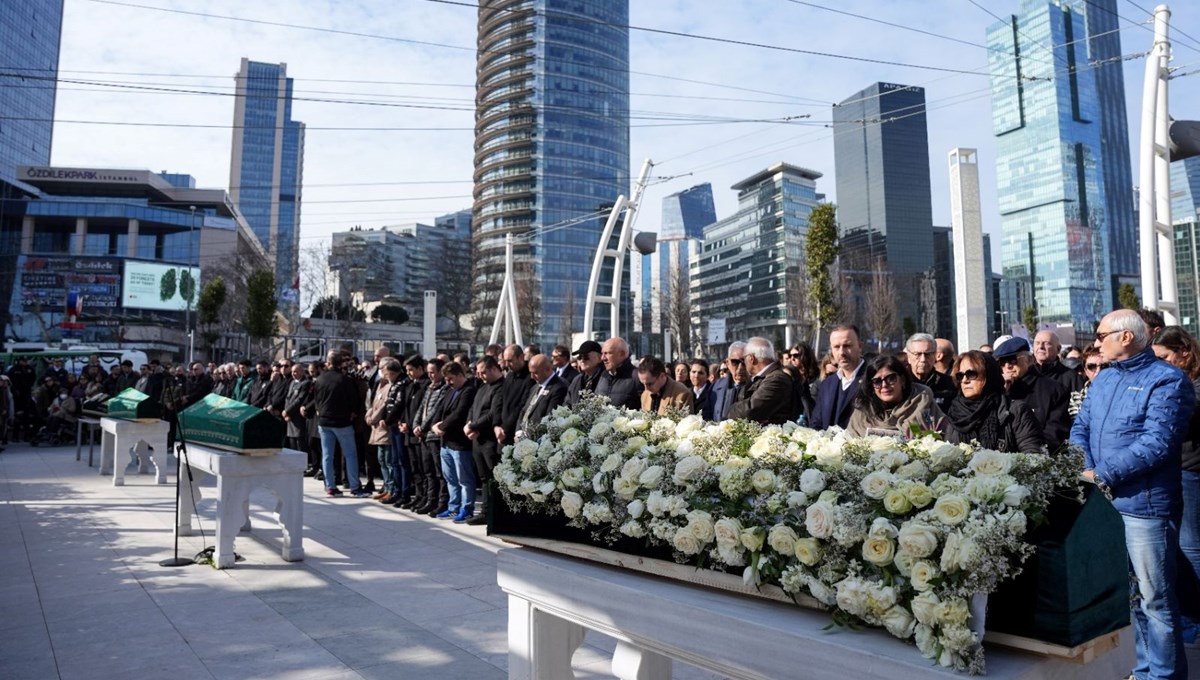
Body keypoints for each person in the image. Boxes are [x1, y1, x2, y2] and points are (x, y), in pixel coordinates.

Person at [1072, 310, 1195, 679]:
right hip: (1104, 505)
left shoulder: (1168, 380)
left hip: (1146, 508)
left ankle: (1164, 675)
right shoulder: (1104, 380)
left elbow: (1157, 443)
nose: (1096, 342)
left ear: (1126, 337)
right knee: (1133, 599)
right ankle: (1144, 671)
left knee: (1155, 599)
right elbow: (1081, 426)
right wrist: (1080, 464)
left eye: (1101, 334)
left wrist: (1101, 473)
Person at [1151, 325, 1200, 633]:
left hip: (1191, 470)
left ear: (1184, 351)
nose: (1162, 363)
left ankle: (1194, 617)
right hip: (1180, 469)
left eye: (1165, 356)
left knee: (1190, 545)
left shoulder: (1193, 386)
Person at [944, 351, 1043, 452]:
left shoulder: (1015, 411)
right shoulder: (955, 414)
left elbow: (1032, 455)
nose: (965, 380)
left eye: (971, 374)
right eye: (960, 376)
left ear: (989, 375)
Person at [993, 336, 1071, 451]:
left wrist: (1027, 458)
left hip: (1034, 459)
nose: (1007, 366)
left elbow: (1054, 434)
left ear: (1029, 360)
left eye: (1012, 360)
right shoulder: (996, 389)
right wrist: (1001, 392)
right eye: (1002, 362)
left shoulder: (1054, 390)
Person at [847, 354, 945, 437]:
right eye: (877, 382)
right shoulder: (862, 410)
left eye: (890, 378)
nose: (884, 385)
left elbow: (942, 436)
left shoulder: (922, 402)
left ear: (902, 379)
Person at [314, 352, 367, 497]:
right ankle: (354, 486)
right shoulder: (345, 380)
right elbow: (354, 400)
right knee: (350, 454)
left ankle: (330, 486)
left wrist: (320, 410)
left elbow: (316, 399)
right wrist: (353, 413)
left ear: (328, 363)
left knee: (327, 455)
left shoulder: (319, 379)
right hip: (342, 422)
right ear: (341, 364)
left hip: (324, 421)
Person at [433, 362, 478, 522]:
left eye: (451, 379)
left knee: (464, 479)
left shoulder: (469, 391)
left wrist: (442, 427)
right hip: (446, 443)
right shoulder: (450, 391)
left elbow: (459, 414)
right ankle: (453, 507)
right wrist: (434, 425)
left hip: (460, 443)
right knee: (450, 479)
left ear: (460, 375)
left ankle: (466, 509)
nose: (448, 382)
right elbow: (440, 409)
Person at [464, 356, 504, 524]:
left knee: (494, 479)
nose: (479, 376)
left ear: (494, 369)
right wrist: (469, 424)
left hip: (490, 441)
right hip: (477, 440)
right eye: (478, 373)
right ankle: (485, 513)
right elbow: (473, 409)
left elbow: (492, 414)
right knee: (484, 479)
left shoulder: (501, 387)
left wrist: (473, 426)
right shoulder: (482, 387)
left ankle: (497, 514)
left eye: (483, 373)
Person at [413, 358, 451, 516]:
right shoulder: (429, 388)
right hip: (423, 435)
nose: (430, 376)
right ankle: (429, 499)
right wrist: (416, 424)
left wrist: (423, 427)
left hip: (433, 435)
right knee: (427, 470)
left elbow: (435, 411)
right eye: (428, 372)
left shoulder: (444, 388)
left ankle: (441, 502)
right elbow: (421, 408)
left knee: (438, 472)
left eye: (433, 372)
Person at [727, 337, 793, 425]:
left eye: (744, 359)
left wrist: (732, 409)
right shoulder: (759, 378)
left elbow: (750, 411)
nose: (743, 363)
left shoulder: (776, 379)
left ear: (751, 358)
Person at [812, 325, 866, 430]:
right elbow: (816, 423)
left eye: (847, 346)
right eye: (836, 347)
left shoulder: (874, 380)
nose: (841, 352)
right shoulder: (827, 384)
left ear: (860, 346)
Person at [516, 354, 568, 437]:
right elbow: (524, 410)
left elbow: (549, 417)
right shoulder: (535, 387)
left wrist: (529, 435)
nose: (532, 377)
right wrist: (518, 432)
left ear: (547, 369)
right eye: (531, 373)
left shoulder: (559, 387)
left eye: (536, 373)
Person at [904, 333, 956, 412]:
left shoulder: (949, 384)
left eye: (928, 354)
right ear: (908, 357)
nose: (923, 359)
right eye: (917, 354)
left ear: (935, 355)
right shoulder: (900, 383)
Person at [496, 344, 534, 448]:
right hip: (501, 433)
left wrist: (505, 428)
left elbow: (523, 405)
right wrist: (497, 425)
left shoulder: (530, 377)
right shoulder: (509, 375)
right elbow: (500, 400)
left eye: (510, 361)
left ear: (521, 357)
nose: (507, 365)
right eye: (505, 361)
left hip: (514, 433)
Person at [283, 363, 314, 475]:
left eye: (295, 371)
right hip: (290, 417)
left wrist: (288, 411)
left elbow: (299, 400)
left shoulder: (305, 383)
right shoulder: (292, 383)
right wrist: (286, 411)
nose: (293, 374)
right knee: (292, 442)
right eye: (292, 372)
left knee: (300, 443)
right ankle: (293, 465)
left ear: (301, 371)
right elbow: (288, 398)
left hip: (297, 417)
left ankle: (302, 466)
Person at [596, 337, 642, 409]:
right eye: (602, 353)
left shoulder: (637, 377)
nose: (603, 358)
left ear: (622, 354)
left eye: (607, 353)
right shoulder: (603, 376)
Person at [711, 341, 748, 422]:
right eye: (735, 362)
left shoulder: (757, 387)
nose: (740, 368)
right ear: (727, 363)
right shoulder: (716, 387)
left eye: (744, 362)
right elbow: (707, 415)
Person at [782, 343, 819, 424]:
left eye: (795, 355)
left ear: (805, 356)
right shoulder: (789, 377)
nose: (792, 359)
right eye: (790, 356)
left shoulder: (818, 378)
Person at [566, 340, 603, 405]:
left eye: (586, 357)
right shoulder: (577, 380)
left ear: (599, 358)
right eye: (579, 357)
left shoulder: (605, 378)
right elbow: (567, 403)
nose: (582, 360)